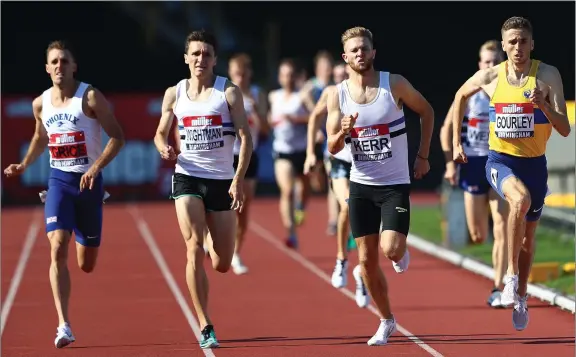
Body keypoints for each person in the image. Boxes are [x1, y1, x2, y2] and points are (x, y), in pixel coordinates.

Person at [3, 40, 125, 348]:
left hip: (89, 185)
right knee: (57, 246)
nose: (59, 66)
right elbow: (39, 136)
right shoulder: (40, 104)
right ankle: (63, 325)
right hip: (59, 182)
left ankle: (87, 236)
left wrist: (95, 168)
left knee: (86, 263)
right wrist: (24, 163)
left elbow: (119, 137)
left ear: (74, 66)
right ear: (47, 68)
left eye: (64, 61)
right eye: (54, 61)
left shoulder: (90, 97)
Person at [452, 17, 571, 331]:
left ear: (532, 44)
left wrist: (544, 105)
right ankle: (509, 278)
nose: (518, 47)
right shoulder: (491, 76)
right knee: (518, 201)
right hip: (500, 161)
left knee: (528, 242)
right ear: (503, 45)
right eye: (512, 42)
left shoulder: (547, 75)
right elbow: (460, 97)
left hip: (535, 165)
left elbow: (564, 129)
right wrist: (456, 143)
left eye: (523, 41)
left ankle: (521, 294)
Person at [326, 27, 434, 346]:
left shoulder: (393, 84)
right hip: (360, 186)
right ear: (345, 57)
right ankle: (387, 320)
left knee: (390, 249)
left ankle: (400, 250)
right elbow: (332, 146)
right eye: (354, 50)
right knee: (365, 261)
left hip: (394, 185)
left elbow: (426, 111)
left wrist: (423, 155)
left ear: (373, 52)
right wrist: (343, 131)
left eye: (365, 48)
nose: (360, 54)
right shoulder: (338, 95)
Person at [153, 30, 253, 349]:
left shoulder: (228, 93)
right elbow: (159, 133)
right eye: (195, 54)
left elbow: (246, 139)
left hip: (221, 180)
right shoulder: (175, 93)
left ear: (215, 59)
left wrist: (237, 180)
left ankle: (212, 237)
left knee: (222, 262)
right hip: (187, 176)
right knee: (193, 245)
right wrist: (163, 147)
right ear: (186, 57)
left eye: (206, 54)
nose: (200, 59)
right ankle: (205, 323)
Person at [440, 40, 509, 308]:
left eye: (495, 61)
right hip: (472, 164)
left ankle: (498, 286)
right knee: (478, 234)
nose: (490, 66)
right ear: (479, 65)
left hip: (501, 162)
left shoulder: (509, 90)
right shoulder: (470, 93)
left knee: (501, 226)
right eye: (486, 62)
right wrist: (449, 163)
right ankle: (499, 268)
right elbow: (446, 129)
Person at [304, 63, 363, 296]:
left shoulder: (367, 92)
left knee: (364, 213)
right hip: (339, 161)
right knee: (348, 204)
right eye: (336, 75)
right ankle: (341, 259)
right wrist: (310, 153)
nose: (340, 77)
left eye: (343, 74)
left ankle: (363, 268)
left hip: (365, 163)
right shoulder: (331, 93)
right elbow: (313, 119)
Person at [226, 52, 269, 274]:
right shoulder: (224, 94)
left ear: (249, 74)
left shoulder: (257, 95)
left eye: (243, 74)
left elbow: (265, 129)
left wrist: (255, 111)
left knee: (243, 208)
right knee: (217, 205)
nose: (240, 79)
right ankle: (208, 237)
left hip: (248, 156)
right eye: (236, 74)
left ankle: (236, 253)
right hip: (225, 156)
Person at [269, 58, 315, 249]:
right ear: (280, 77)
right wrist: (270, 120)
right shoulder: (273, 96)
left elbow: (315, 116)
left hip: (302, 151)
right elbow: (268, 117)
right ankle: (291, 233)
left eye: (290, 75)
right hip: (282, 151)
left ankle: (301, 207)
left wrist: (296, 118)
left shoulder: (302, 96)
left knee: (304, 190)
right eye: (284, 75)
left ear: (295, 77)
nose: (287, 79)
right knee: (287, 191)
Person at [301, 51, 337, 231]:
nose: (327, 69)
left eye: (329, 66)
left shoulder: (334, 85)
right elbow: (304, 100)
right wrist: (314, 114)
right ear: (317, 68)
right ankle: (300, 204)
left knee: (332, 179)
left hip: (330, 136)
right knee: (315, 180)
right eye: (324, 66)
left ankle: (333, 220)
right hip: (312, 135)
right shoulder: (312, 86)